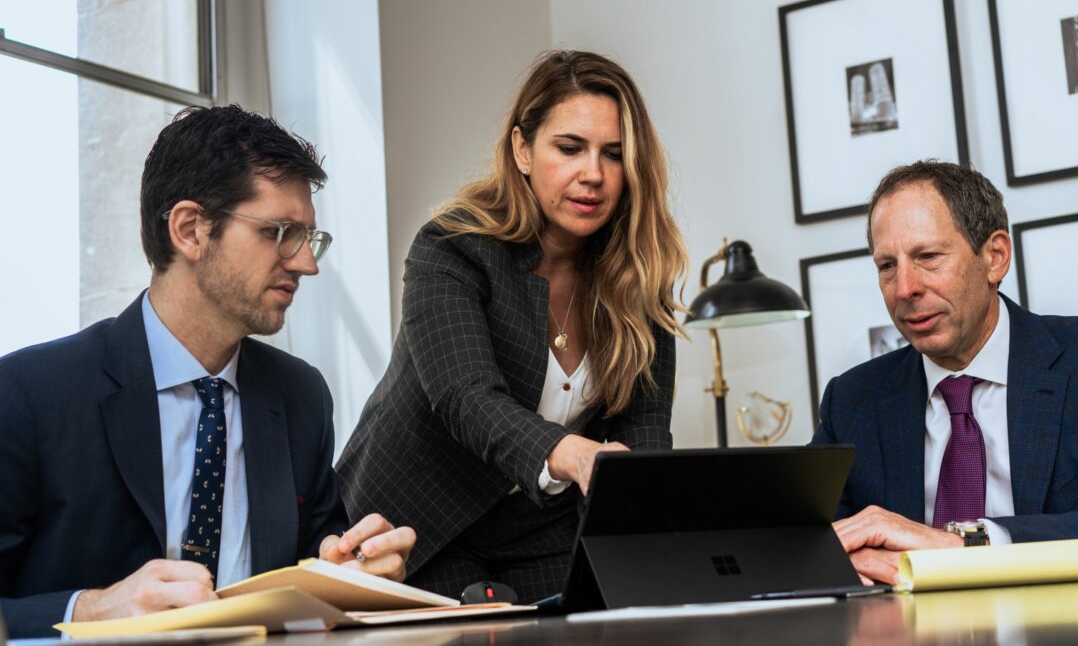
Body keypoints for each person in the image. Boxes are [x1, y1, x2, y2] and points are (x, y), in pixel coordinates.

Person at [0, 105, 415, 638]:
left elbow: (316, 572)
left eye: (309, 238)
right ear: (190, 229)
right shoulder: (30, 395)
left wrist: (356, 577)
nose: (306, 263)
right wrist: (89, 610)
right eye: (280, 232)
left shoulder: (300, 396)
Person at [337, 50, 687, 602]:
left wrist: (642, 532)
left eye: (614, 155)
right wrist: (573, 452)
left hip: (544, 528)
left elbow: (642, 428)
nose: (592, 174)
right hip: (419, 526)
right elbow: (464, 396)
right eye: (569, 148)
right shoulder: (451, 248)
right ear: (522, 149)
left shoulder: (640, 277)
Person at [812, 160, 1078, 585]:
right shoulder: (852, 401)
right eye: (887, 266)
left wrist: (967, 545)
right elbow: (804, 543)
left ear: (994, 257)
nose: (905, 288)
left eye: (928, 257)